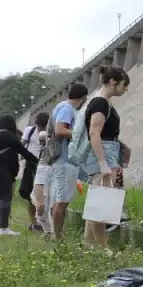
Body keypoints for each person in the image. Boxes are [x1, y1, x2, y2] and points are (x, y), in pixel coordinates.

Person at [80, 67, 130, 249]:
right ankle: (104, 249)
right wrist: (103, 164)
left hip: (108, 151)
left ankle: (88, 244)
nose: (126, 89)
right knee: (101, 204)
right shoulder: (100, 103)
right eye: (124, 85)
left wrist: (122, 147)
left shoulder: (103, 102)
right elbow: (94, 132)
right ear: (113, 82)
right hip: (103, 154)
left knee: (97, 201)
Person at [0, 115, 39, 236]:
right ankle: (4, 228)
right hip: (1, 169)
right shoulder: (9, 136)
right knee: (5, 197)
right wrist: (39, 162)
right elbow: (25, 153)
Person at [47, 83, 89, 240]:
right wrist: (80, 135)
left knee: (60, 200)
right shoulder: (67, 108)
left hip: (64, 161)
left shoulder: (62, 107)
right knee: (62, 201)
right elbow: (59, 130)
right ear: (83, 98)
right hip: (65, 161)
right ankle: (57, 237)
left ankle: (56, 233)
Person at [18, 112, 49, 232]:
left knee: (43, 195)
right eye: (39, 126)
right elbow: (22, 144)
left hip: (45, 165)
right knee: (29, 196)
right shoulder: (29, 130)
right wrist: (22, 155)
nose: (40, 129)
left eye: (43, 127)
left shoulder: (50, 132)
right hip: (31, 165)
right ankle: (34, 223)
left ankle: (43, 222)